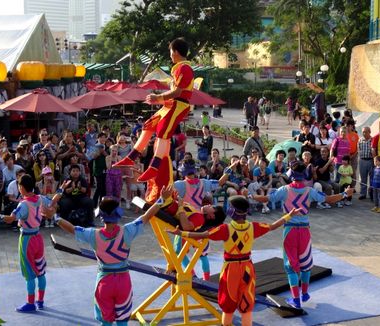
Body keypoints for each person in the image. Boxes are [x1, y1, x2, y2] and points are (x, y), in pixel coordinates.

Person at [169, 196, 301, 326]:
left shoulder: (225, 229)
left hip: (230, 269)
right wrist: (288, 216)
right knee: (247, 302)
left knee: (228, 302)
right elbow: (272, 226)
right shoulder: (253, 227)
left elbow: (203, 235)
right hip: (247, 269)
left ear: (231, 211)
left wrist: (181, 233)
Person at [50, 185, 172, 325]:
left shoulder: (93, 235)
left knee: (106, 322)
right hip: (123, 282)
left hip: (104, 283)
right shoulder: (128, 231)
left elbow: (72, 229)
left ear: (101, 216)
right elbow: (146, 216)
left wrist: (54, 217)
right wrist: (162, 199)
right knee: (122, 322)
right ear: (118, 214)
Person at [260, 162, 354, 309]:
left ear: (291, 174)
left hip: (290, 231)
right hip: (305, 231)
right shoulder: (310, 191)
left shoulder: (284, 190)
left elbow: (267, 199)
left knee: (291, 266)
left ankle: (296, 300)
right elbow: (328, 199)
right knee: (305, 263)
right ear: (304, 176)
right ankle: (304, 293)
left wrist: (249, 196)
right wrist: (344, 194)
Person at [113, 38, 194, 183]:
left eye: (170, 51)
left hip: (178, 104)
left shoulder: (184, 68)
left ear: (175, 52)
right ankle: (131, 158)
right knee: (148, 125)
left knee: (162, 132)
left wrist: (158, 97)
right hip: (171, 103)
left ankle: (154, 167)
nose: (170, 55)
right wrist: (160, 99)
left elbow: (177, 92)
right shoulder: (179, 68)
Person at [0, 174, 66, 312]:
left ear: (21, 188)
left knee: (29, 273)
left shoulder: (23, 204)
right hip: (38, 238)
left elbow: (10, 219)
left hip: (27, 240)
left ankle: (30, 303)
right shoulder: (40, 198)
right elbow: (53, 201)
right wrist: (61, 190)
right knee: (40, 272)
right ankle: (40, 301)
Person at [358, 126, 373, 200]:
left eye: (365, 132)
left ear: (369, 132)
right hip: (362, 160)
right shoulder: (360, 140)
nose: (364, 133)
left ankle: (371, 193)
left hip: (370, 160)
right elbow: (359, 149)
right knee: (363, 178)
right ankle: (363, 194)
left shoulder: (372, 140)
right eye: (363, 132)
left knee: (372, 178)